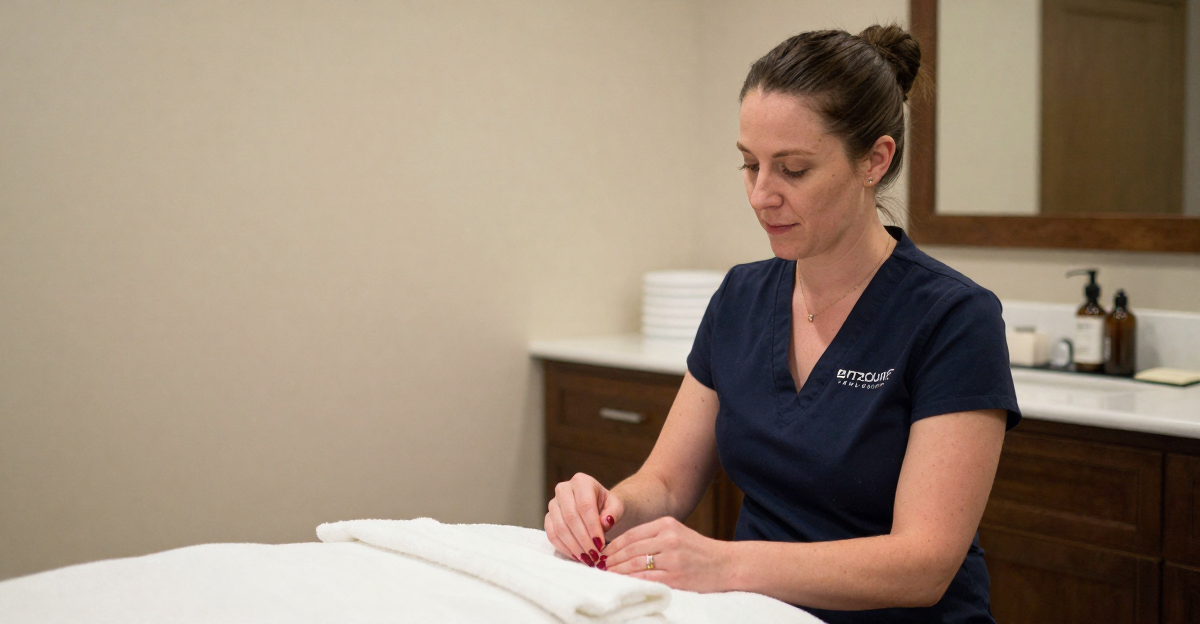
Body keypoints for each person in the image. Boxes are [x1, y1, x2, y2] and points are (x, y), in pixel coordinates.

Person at [544, 24, 1020, 623]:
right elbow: (666, 483)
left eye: (792, 169)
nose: (760, 195)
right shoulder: (741, 298)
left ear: (875, 161)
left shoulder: (953, 317)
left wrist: (726, 565)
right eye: (750, 165)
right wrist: (607, 508)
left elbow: (923, 564)